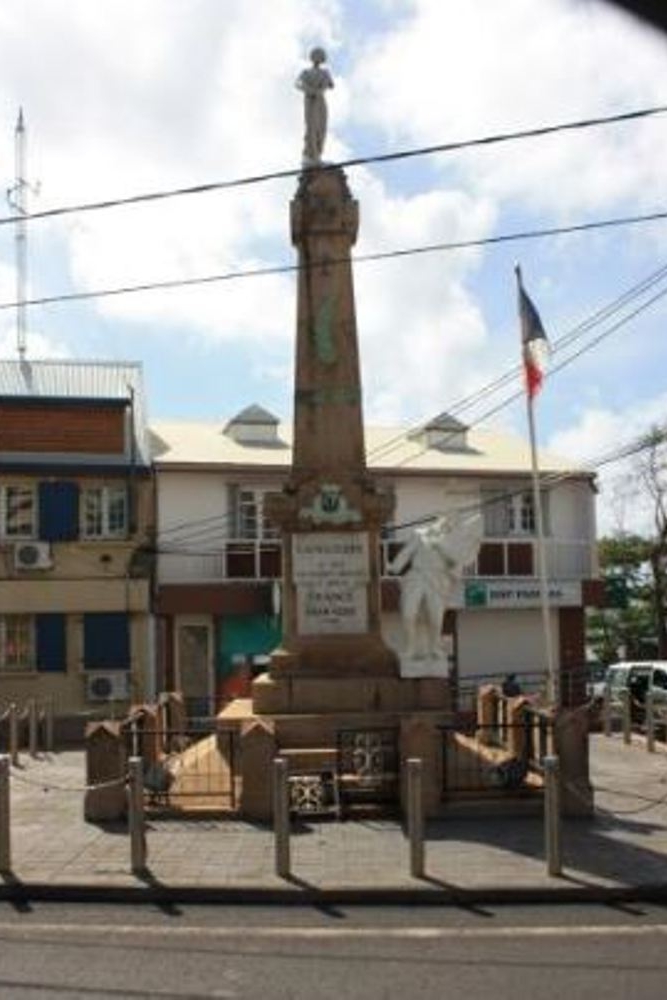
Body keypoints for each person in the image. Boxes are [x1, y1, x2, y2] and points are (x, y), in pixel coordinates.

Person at [390, 512, 482, 661]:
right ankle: (410, 648)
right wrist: (395, 566)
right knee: (408, 613)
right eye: (444, 521)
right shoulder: (420, 534)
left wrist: (440, 546)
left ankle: (434, 648)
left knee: (435, 617)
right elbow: (407, 552)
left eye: (450, 524)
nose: (446, 525)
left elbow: (455, 561)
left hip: (437, 579)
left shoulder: (449, 541)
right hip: (417, 576)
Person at [296, 47, 334, 166]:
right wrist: (310, 90)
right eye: (316, 55)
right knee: (311, 127)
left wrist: (323, 87)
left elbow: (331, 85)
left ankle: (318, 154)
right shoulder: (305, 72)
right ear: (312, 57)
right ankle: (310, 155)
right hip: (310, 101)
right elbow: (297, 83)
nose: (318, 58)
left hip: (320, 101)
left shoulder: (325, 72)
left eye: (320, 56)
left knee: (321, 128)